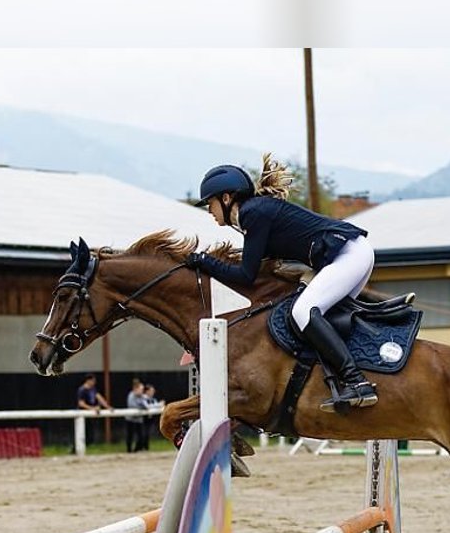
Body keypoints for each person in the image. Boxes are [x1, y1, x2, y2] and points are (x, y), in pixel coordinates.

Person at [186, 154, 378, 412]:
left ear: (226, 198)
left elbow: (246, 276)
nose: (209, 210)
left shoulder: (253, 214)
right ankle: (346, 380)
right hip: (351, 252)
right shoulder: (255, 215)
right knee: (327, 319)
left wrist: (203, 262)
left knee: (302, 311)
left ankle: (357, 382)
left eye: (210, 203)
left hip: (348, 254)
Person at [125, 379, 146, 453]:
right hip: (130, 419)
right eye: (140, 389)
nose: (142, 391)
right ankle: (129, 450)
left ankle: (137, 449)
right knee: (130, 435)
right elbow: (131, 405)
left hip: (139, 419)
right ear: (136, 389)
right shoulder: (131, 395)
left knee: (141, 435)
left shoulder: (143, 396)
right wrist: (141, 406)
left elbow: (146, 404)